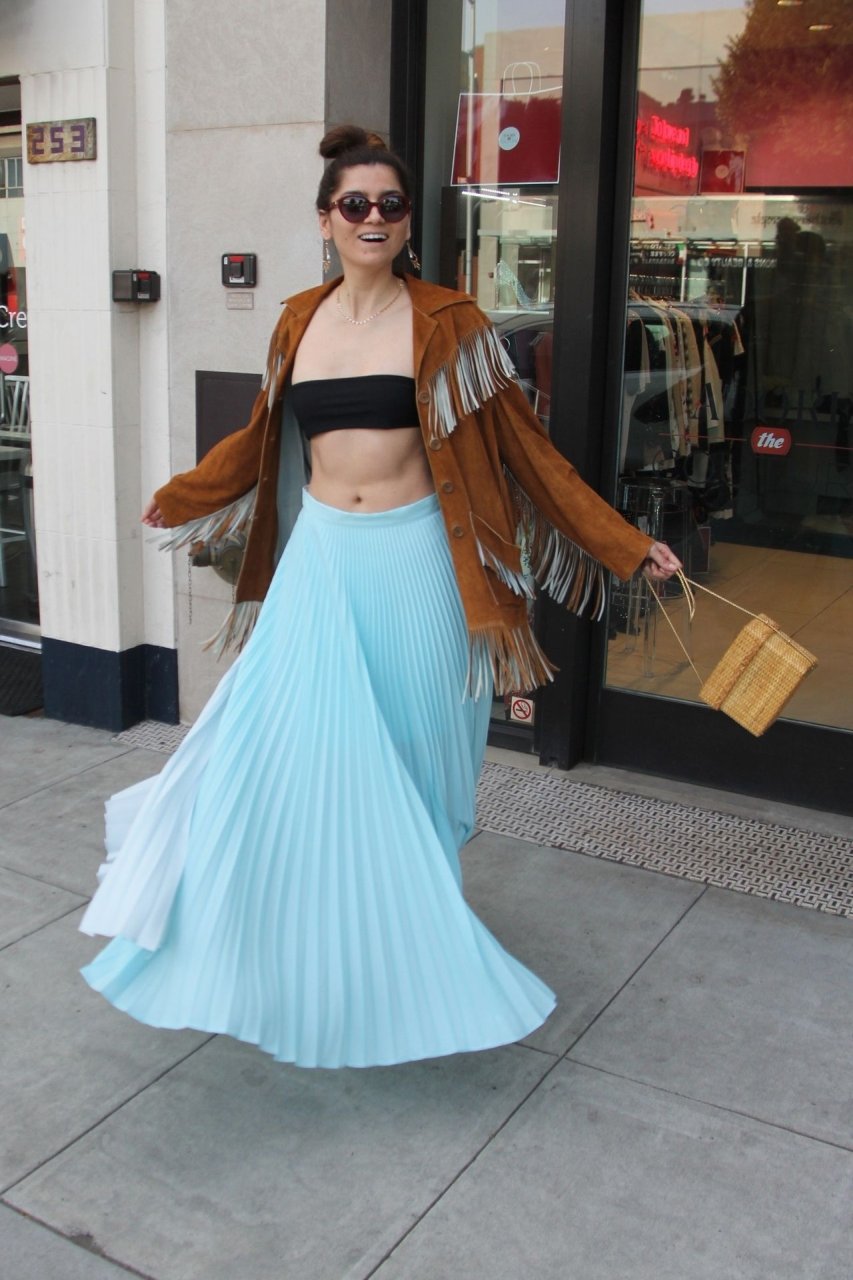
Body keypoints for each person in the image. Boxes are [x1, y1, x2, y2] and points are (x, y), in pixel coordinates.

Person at [79, 125, 680, 1069]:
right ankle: (287, 956)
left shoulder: (450, 323)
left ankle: (404, 961)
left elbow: (528, 453)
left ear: (407, 225)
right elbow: (258, 437)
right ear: (324, 219)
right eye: (353, 204)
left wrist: (624, 544)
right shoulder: (297, 321)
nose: (372, 218)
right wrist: (187, 494)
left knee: (419, 772)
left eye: (389, 205)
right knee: (273, 763)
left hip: (422, 571)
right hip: (322, 566)